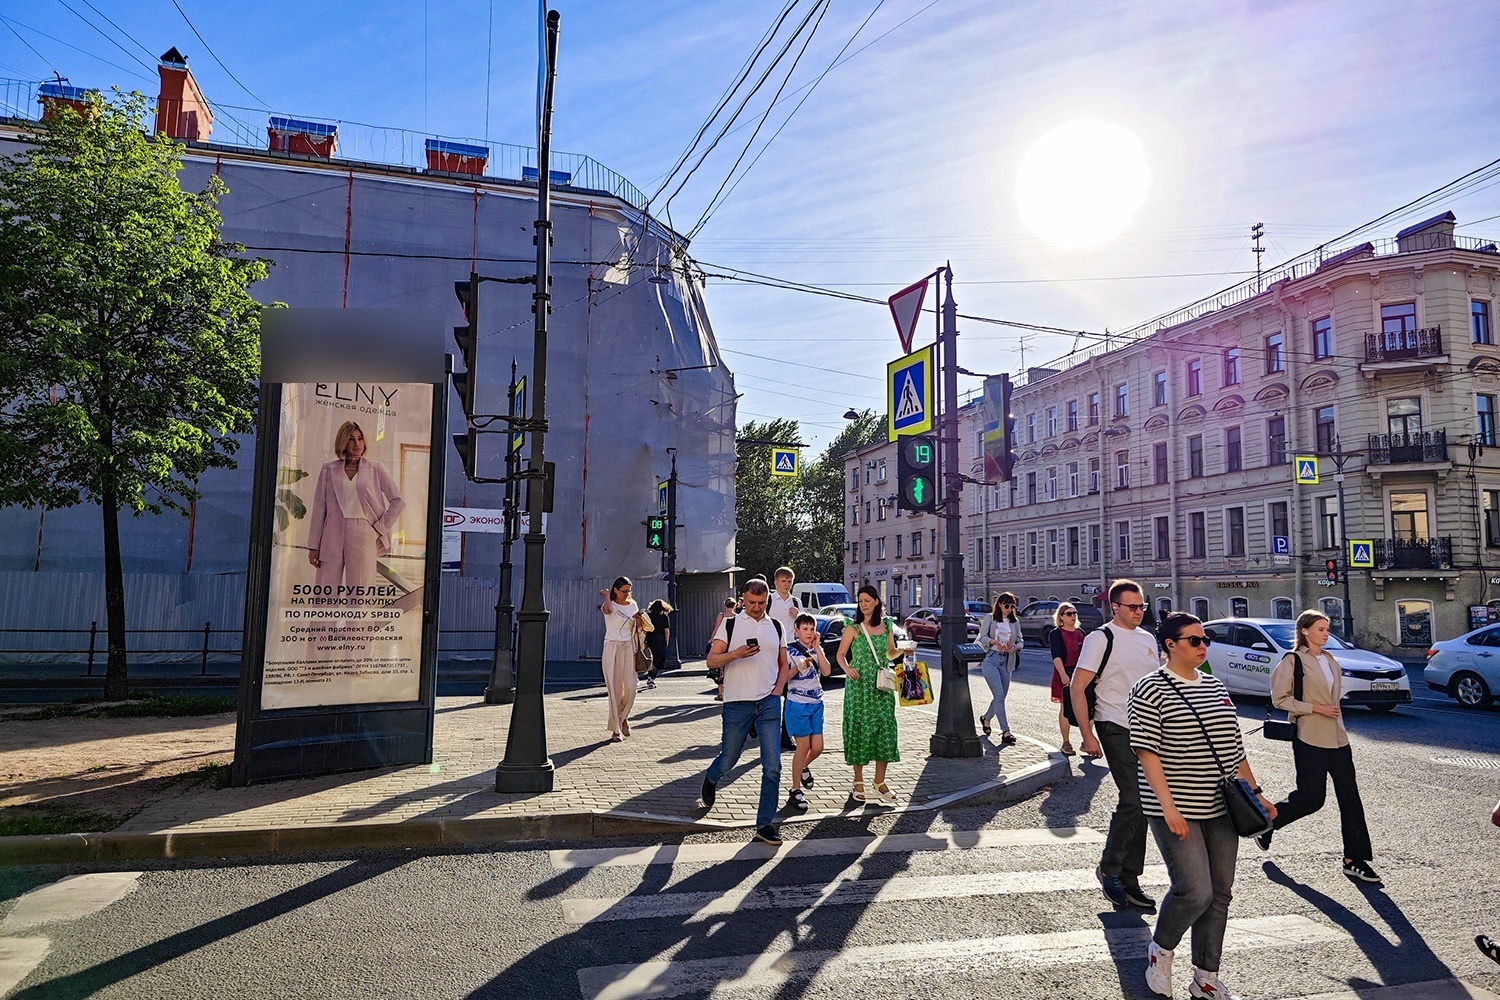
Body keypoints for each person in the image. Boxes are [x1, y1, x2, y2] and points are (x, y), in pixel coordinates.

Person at [1131, 612, 1275, 1000]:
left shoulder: (1214, 685)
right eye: (1194, 640)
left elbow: (1233, 748)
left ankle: (1206, 977)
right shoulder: (1149, 688)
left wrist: (1257, 793)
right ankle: (1160, 951)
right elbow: (1147, 753)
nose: (1202, 646)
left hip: (1222, 805)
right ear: (1170, 645)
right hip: (1174, 805)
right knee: (1195, 891)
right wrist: (1168, 808)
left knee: (1220, 891)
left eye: (1204, 640)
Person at [1257, 610, 1381, 884]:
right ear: (1305, 631)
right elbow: (1279, 699)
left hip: (1338, 739)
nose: (1326, 634)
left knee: (1350, 799)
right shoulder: (1292, 660)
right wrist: (1316, 708)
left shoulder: (1330, 660)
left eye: (1327, 629)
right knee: (1311, 799)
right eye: (1321, 629)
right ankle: (1269, 822)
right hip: (1309, 738)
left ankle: (1354, 860)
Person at [1072, 578, 1162, 912]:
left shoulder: (1147, 639)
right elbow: (1077, 687)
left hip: (1147, 729)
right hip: (1114, 724)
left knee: (1146, 803)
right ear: (1115, 607)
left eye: (1142, 606)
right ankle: (1110, 869)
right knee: (1133, 798)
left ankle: (1129, 878)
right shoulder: (1100, 638)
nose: (1139, 612)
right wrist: (1087, 734)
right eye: (1133, 607)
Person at [702, 580, 790, 845]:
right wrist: (736, 654)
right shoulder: (730, 624)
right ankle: (712, 777)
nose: (756, 607)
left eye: (761, 603)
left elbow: (783, 663)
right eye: (752, 602)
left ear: (767, 601)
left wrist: (778, 690)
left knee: (773, 766)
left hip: (768, 703)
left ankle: (765, 825)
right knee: (729, 758)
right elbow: (711, 660)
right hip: (737, 702)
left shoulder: (776, 626)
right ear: (743, 598)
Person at [306, 420, 405, 589]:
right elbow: (319, 509)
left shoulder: (376, 468)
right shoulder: (328, 469)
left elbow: (398, 501)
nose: (357, 444)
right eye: (351, 439)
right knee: (325, 590)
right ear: (343, 442)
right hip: (331, 533)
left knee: (361, 591)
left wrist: (379, 529)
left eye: (360, 439)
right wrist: (313, 546)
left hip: (363, 533)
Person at [836, 585, 901, 806]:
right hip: (859, 687)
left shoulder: (887, 625)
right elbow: (841, 654)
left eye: (867, 600)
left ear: (876, 601)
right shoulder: (853, 627)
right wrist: (847, 669)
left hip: (881, 687)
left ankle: (879, 781)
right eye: (860, 601)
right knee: (860, 730)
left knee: (885, 730)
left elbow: (890, 653)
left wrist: (903, 651)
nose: (863, 604)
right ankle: (858, 782)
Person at [781, 612, 832, 811]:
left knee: (818, 747)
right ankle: (795, 789)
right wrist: (798, 668)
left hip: (816, 703)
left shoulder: (816, 649)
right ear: (796, 631)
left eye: (812, 629)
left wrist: (818, 648)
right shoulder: (790, 651)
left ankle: (802, 767)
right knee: (803, 746)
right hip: (798, 704)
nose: (809, 633)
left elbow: (826, 671)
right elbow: (783, 677)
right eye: (805, 629)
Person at [599, 577, 650, 742]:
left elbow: (639, 627)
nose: (627, 593)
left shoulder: (633, 605)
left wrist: (640, 620)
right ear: (616, 590)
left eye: (629, 590)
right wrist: (607, 595)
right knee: (614, 690)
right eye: (624, 591)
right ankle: (616, 729)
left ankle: (623, 717)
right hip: (612, 647)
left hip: (629, 647)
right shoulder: (609, 604)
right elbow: (607, 611)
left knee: (631, 688)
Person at [979, 592, 1023, 745]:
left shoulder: (1015, 622)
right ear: (999, 605)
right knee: (998, 695)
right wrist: (993, 642)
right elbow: (982, 637)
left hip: (1007, 660)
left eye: (1012, 606)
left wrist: (1017, 646)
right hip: (991, 659)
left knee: (1001, 697)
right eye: (1006, 606)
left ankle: (986, 718)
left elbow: (1021, 640)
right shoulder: (990, 618)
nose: (1009, 609)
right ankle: (1006, 731)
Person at [768, 566, 802, 751]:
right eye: (783, 581)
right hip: (771, 650)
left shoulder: (795, 602)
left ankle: (785, 736)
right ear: (776, 582)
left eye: (789, 581)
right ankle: (754, 724)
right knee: (766, 690)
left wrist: (799, 616)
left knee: (789, 695)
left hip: (790, 650)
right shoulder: (768, 600)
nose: (787, 584)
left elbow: (804, 626)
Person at [1049, 601, 1085, 755]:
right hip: (1064, 673)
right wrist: (1063, 674)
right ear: (1061, 617)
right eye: (1069, 613)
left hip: (1081, 674)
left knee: (1088, 707)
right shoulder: (1056, 633)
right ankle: (1066, 742)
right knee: (1066, 708)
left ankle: (1086, 740)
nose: (1073, 616)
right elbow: (1056, 656)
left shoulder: (1080, 632)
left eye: (1074, 613)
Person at [707, 598, 736, 701]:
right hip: (732, 644)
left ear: (725, 605)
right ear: (735, 606)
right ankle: (731, 692)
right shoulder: (737, 617)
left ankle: (720, 694)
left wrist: (712, 639)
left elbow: (717, 629)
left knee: (719, 671)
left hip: (722, 644)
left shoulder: (721, 615)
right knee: (731, 668)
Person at [643, 598, 673, 689]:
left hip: (649, 639)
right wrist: (667, 641)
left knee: (650, 658)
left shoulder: (648, 616)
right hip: (660, 640)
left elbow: (645, 629)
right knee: (658, 660)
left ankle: (650, 676)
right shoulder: (664, 617)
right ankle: (651, 679)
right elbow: (666, 631)